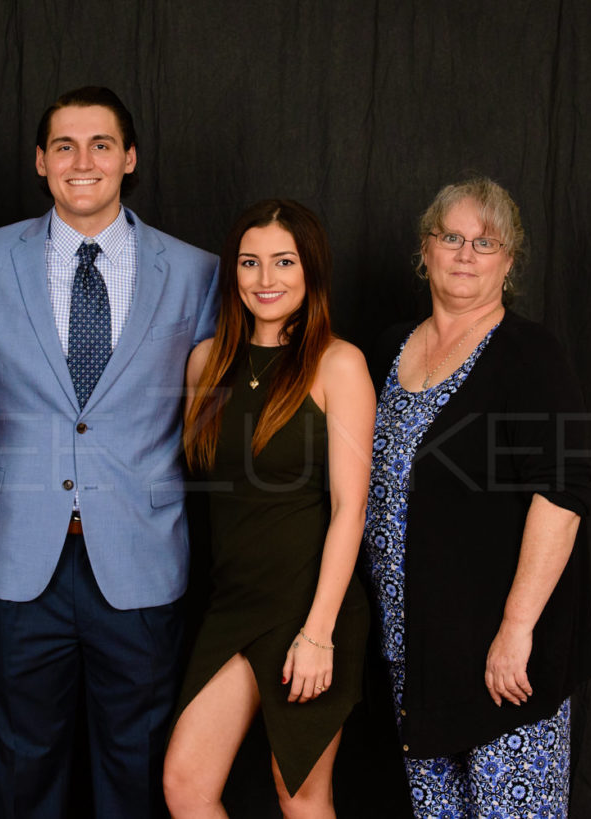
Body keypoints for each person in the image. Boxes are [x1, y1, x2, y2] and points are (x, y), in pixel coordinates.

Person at [0, 86, 219, 818]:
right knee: (20, 769)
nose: (82, 161)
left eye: (101, 144)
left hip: (140, 556)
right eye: (63, 146)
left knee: (135, 769)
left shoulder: (196, 271)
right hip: (15, 558)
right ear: (40, 162)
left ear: (129, 158)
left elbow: (231, 397)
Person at [362, 177, 591, 818]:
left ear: (509, 261)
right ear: (426, 249)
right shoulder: (390, 350)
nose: (466, 254)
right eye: (453, 238)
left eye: (486, 242)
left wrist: (516, 630)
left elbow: (564, 492)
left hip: (502, 653)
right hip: (418, 649)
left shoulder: (529, 354)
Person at [162, 199, 374, 818]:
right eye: (250, 263)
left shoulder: (339, 363)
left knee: (301, 798)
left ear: (311, 271)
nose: (265, 279)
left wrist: (319, 633)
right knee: (187, 786)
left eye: (283, 262)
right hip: (233, 605)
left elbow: (349, 510)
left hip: (310, 608)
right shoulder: (207, 363)